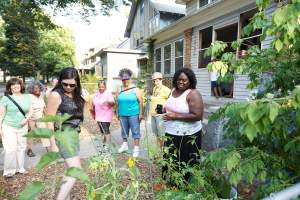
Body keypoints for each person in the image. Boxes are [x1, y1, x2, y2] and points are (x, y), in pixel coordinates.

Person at [46, 67, 85, 200]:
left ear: (77, 83)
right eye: (65, 84)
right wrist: (52, 144)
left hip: (73, 136)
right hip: (63, 136)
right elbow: (49, 121)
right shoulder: (56, 95)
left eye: (72, 84)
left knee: (69, 170)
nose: (68, 87)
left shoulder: (77, 94)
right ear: (60, 81)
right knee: (75, 170)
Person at [162, 68, 203, 184]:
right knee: (170, 158)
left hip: (187, 135)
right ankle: (170, 182)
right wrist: (163, 109)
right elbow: (171, 106)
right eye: (179, 80)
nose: (181, 82)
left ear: (190, 81)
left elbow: (197, 115)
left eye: (185, 80)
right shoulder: (173, 90)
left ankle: (183, 186)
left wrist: (174, 116)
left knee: (185, 161)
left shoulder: (193, 94)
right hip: (171, 132)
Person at [0, 78, 33, 178]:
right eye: (12, 85)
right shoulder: (6, 98)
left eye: (17, 84)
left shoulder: (27, 97)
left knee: (21, 147)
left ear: (21, 85)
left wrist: (26, 119)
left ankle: (20, 168)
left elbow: (31, 111)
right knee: (10, 148)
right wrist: (0, 128)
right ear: (10, 87)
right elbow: (1, 114)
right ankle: (9, 171)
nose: (15, 86)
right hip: (8, 126)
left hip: (23, 126)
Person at [116, 68, 143, 158]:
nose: (125, 81)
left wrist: (141, 113)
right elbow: (117, 101)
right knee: (124, 131)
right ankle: (125, 145)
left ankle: (136, 148)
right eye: (123, 79)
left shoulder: (135, 89)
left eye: (126, 78)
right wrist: (117, 112)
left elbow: (140, 101)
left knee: (135, 131)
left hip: (134, 114)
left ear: (130, 78)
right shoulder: (119, 89)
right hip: (122, 114)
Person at [27, 80, 55, 153]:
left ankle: (49, 151)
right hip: (31, 119)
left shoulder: (41, 96)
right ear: (31, 89)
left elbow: (44, 108)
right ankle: (29, 149)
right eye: (34, 88)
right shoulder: (28, 97)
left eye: (38, 88)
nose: (36, 89)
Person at [90, 79, 114, 152]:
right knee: (102, 131)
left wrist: (108, 101)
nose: (101, 88)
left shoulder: (108, 93)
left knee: (106, 130)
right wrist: (92, 110)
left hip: (106, 115)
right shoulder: (96, 94)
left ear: (105, 87)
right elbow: (93, 103)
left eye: (103, 87)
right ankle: (104, 144)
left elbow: (113, 103)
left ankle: (108, 146)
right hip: (99, 115)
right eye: (100, 87)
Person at [149, 72, 171, 149]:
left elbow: (171, 101)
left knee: (162, 135)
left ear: (162, 80)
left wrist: (166, 110)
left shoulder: (166, 89)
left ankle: (163, 153)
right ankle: (159, 151)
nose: (156, 82)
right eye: (154, 80)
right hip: (153, 115)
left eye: (158, 80)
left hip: (160, 115)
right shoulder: (154, 89)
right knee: (156, 134)